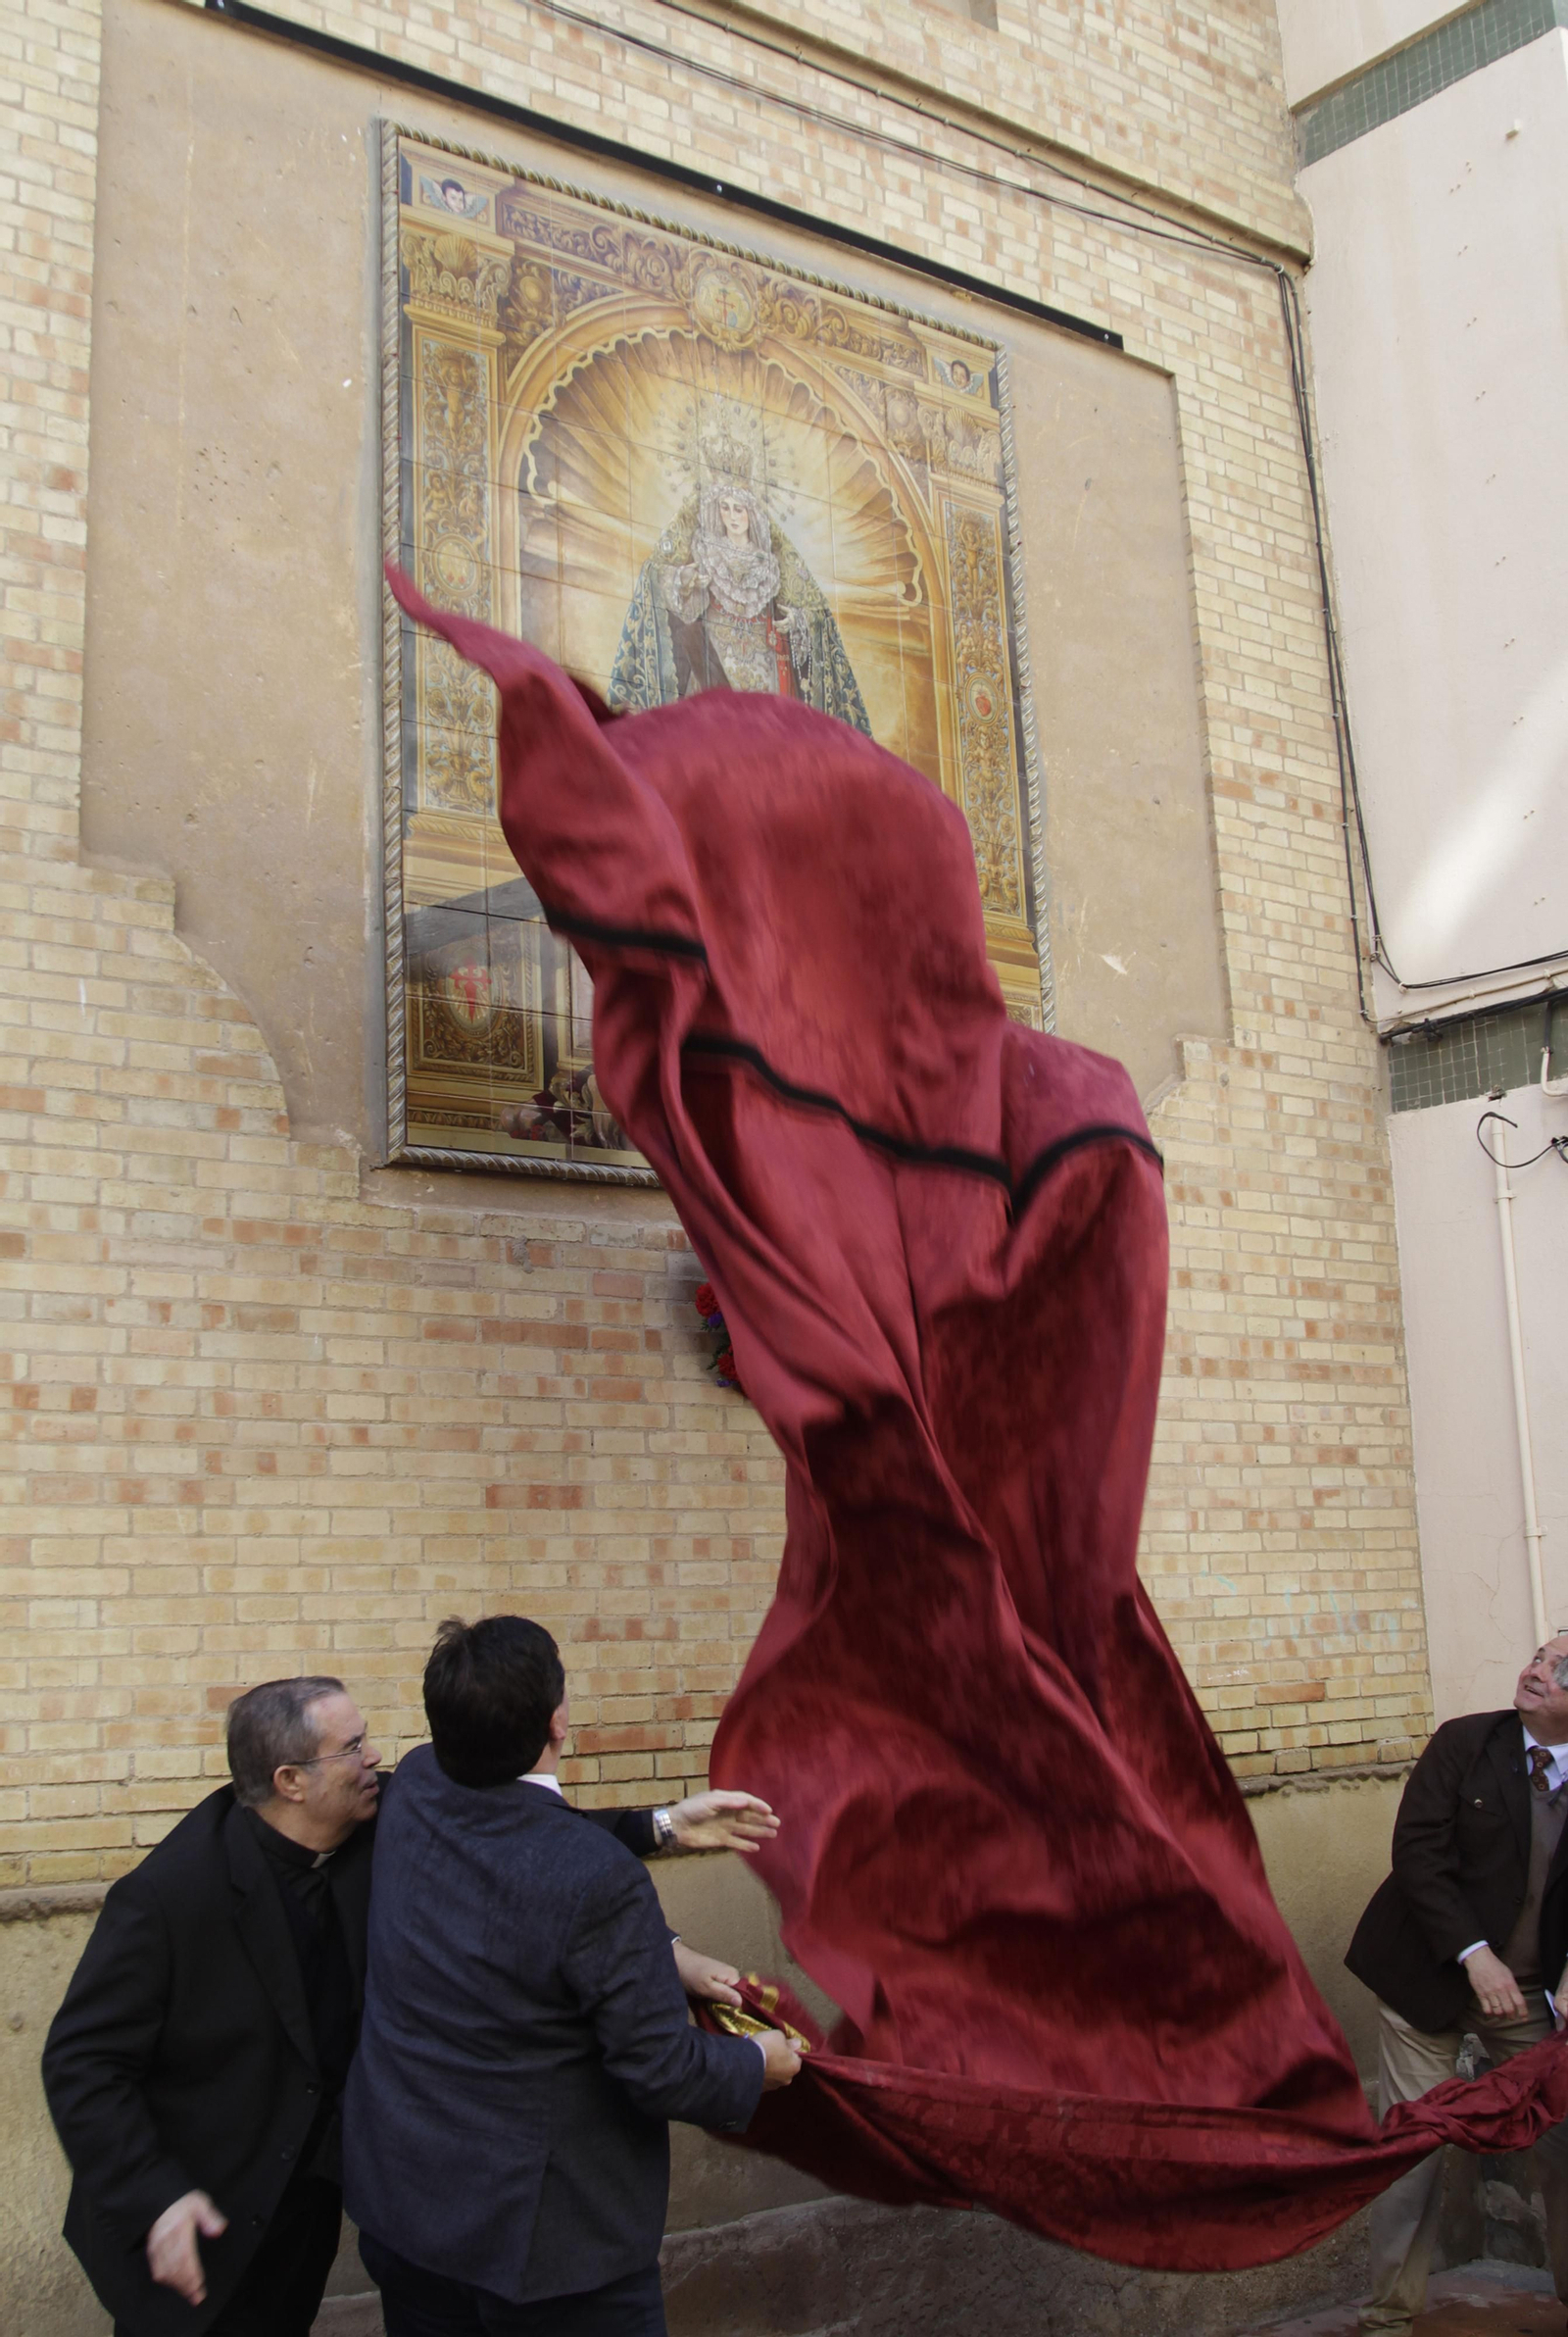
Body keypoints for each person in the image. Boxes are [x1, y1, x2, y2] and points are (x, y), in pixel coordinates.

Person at [42, 1673, 778, 2336]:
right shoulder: (168, 1896)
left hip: (307, 2218)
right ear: (292, 1780)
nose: (376, 1759)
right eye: (354, 1747)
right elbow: (82, 2062)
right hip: (195, 2226)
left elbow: (526, 1836)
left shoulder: (386, 1813)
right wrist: (156, 2199)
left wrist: (667, 1828)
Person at [345, 1616, 802, 2336]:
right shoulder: (597, 1881)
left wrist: (663, 1825)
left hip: (406, 2216)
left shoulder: (420, 1786)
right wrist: (756, 2062)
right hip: (547, 2255)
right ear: (560, 1719)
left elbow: (517, 1826)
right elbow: (660, 2069)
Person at [1346, 1634, 1568, 2334]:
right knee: (1413, 2147)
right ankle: (1387, 2314)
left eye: (1561, 1669)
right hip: (1429, 1981)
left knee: (1563, 2143)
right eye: (1538, 1656)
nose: (1536, 1671)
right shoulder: (1464, 1742)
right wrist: (1474, 1954)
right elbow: (1418, 1852)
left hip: (1532, 1999)